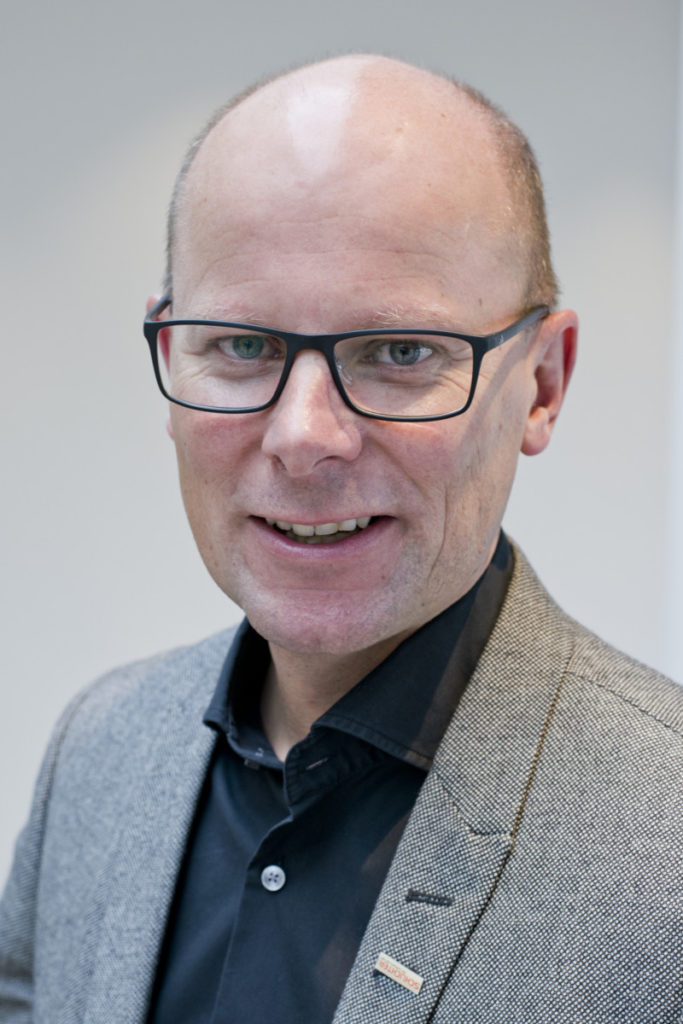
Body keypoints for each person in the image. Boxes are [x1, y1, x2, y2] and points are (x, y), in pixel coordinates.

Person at [1, 54, 681, 1024]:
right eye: (243, 346)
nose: (304, 436)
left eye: (399, 352)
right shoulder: (99, 752)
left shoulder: (663, 842)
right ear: (170, 352)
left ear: (541, 383)